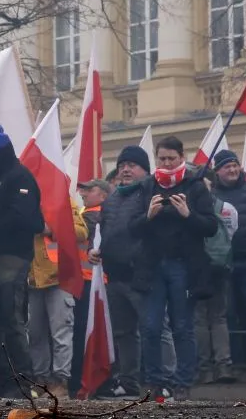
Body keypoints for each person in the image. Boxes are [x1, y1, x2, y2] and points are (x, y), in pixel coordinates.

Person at [130, 136, 214, 401]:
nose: (166, 164)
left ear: (182, 157)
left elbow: (210, 227)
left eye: (171, 159)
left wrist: (189, 214)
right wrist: (148, 216)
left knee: (182, 326)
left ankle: (183, 382)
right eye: (161, 159)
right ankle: (155, 382)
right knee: (151, 326)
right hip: (153, 267)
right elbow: (131, 228)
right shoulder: (146, 186)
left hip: (184, 266)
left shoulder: (195, 185)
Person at [0, 124, 44, 396]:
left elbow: (23, 217)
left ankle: (24, 381)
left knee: (12, 318)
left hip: (13, 257)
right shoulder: (2, 181)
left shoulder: (20, 179)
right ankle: (2, 379)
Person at [93, 145, 149, 399]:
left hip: (140, 274)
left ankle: (164, 382)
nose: (125, 169)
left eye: (132, 165)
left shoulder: (150, 193)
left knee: (154, 329)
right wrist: (98, 252)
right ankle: (129, 382)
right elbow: (106, 233)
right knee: (123, 333)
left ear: (144, 170)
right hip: (114, 275)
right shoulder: (113, 198)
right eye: (122, 165)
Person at [212, 147, 246, 372]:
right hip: (224, 263)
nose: (233, 169)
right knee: (229, 312)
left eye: (235, 165)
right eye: (227, 166)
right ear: (217, 171)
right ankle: (238, 360)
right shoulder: (211, 195)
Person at [27, 206, 87, 400]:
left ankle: (60, 382)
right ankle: (41, 381)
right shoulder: (24, 199)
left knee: (60, 333)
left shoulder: (62, 199)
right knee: (35, 334)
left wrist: (52, 229)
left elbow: (81, 231)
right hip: (31, 279)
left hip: (59, 278)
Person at [195, 171, 237, 385]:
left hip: (197, 268)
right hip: (220, 267)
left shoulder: (189, 206)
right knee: (219, 317)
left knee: (200, 319)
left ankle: (205, 369)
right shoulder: (227, 208)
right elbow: (232, 235)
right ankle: (224, 365)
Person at [71, 179, 111, 396]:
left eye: (89, 189)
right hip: (88, 281)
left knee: (84, 334)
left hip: (92, 283)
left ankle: (88, 381)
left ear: (103, 195)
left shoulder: (94, 216)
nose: (83, 192)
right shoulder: (91, 213)